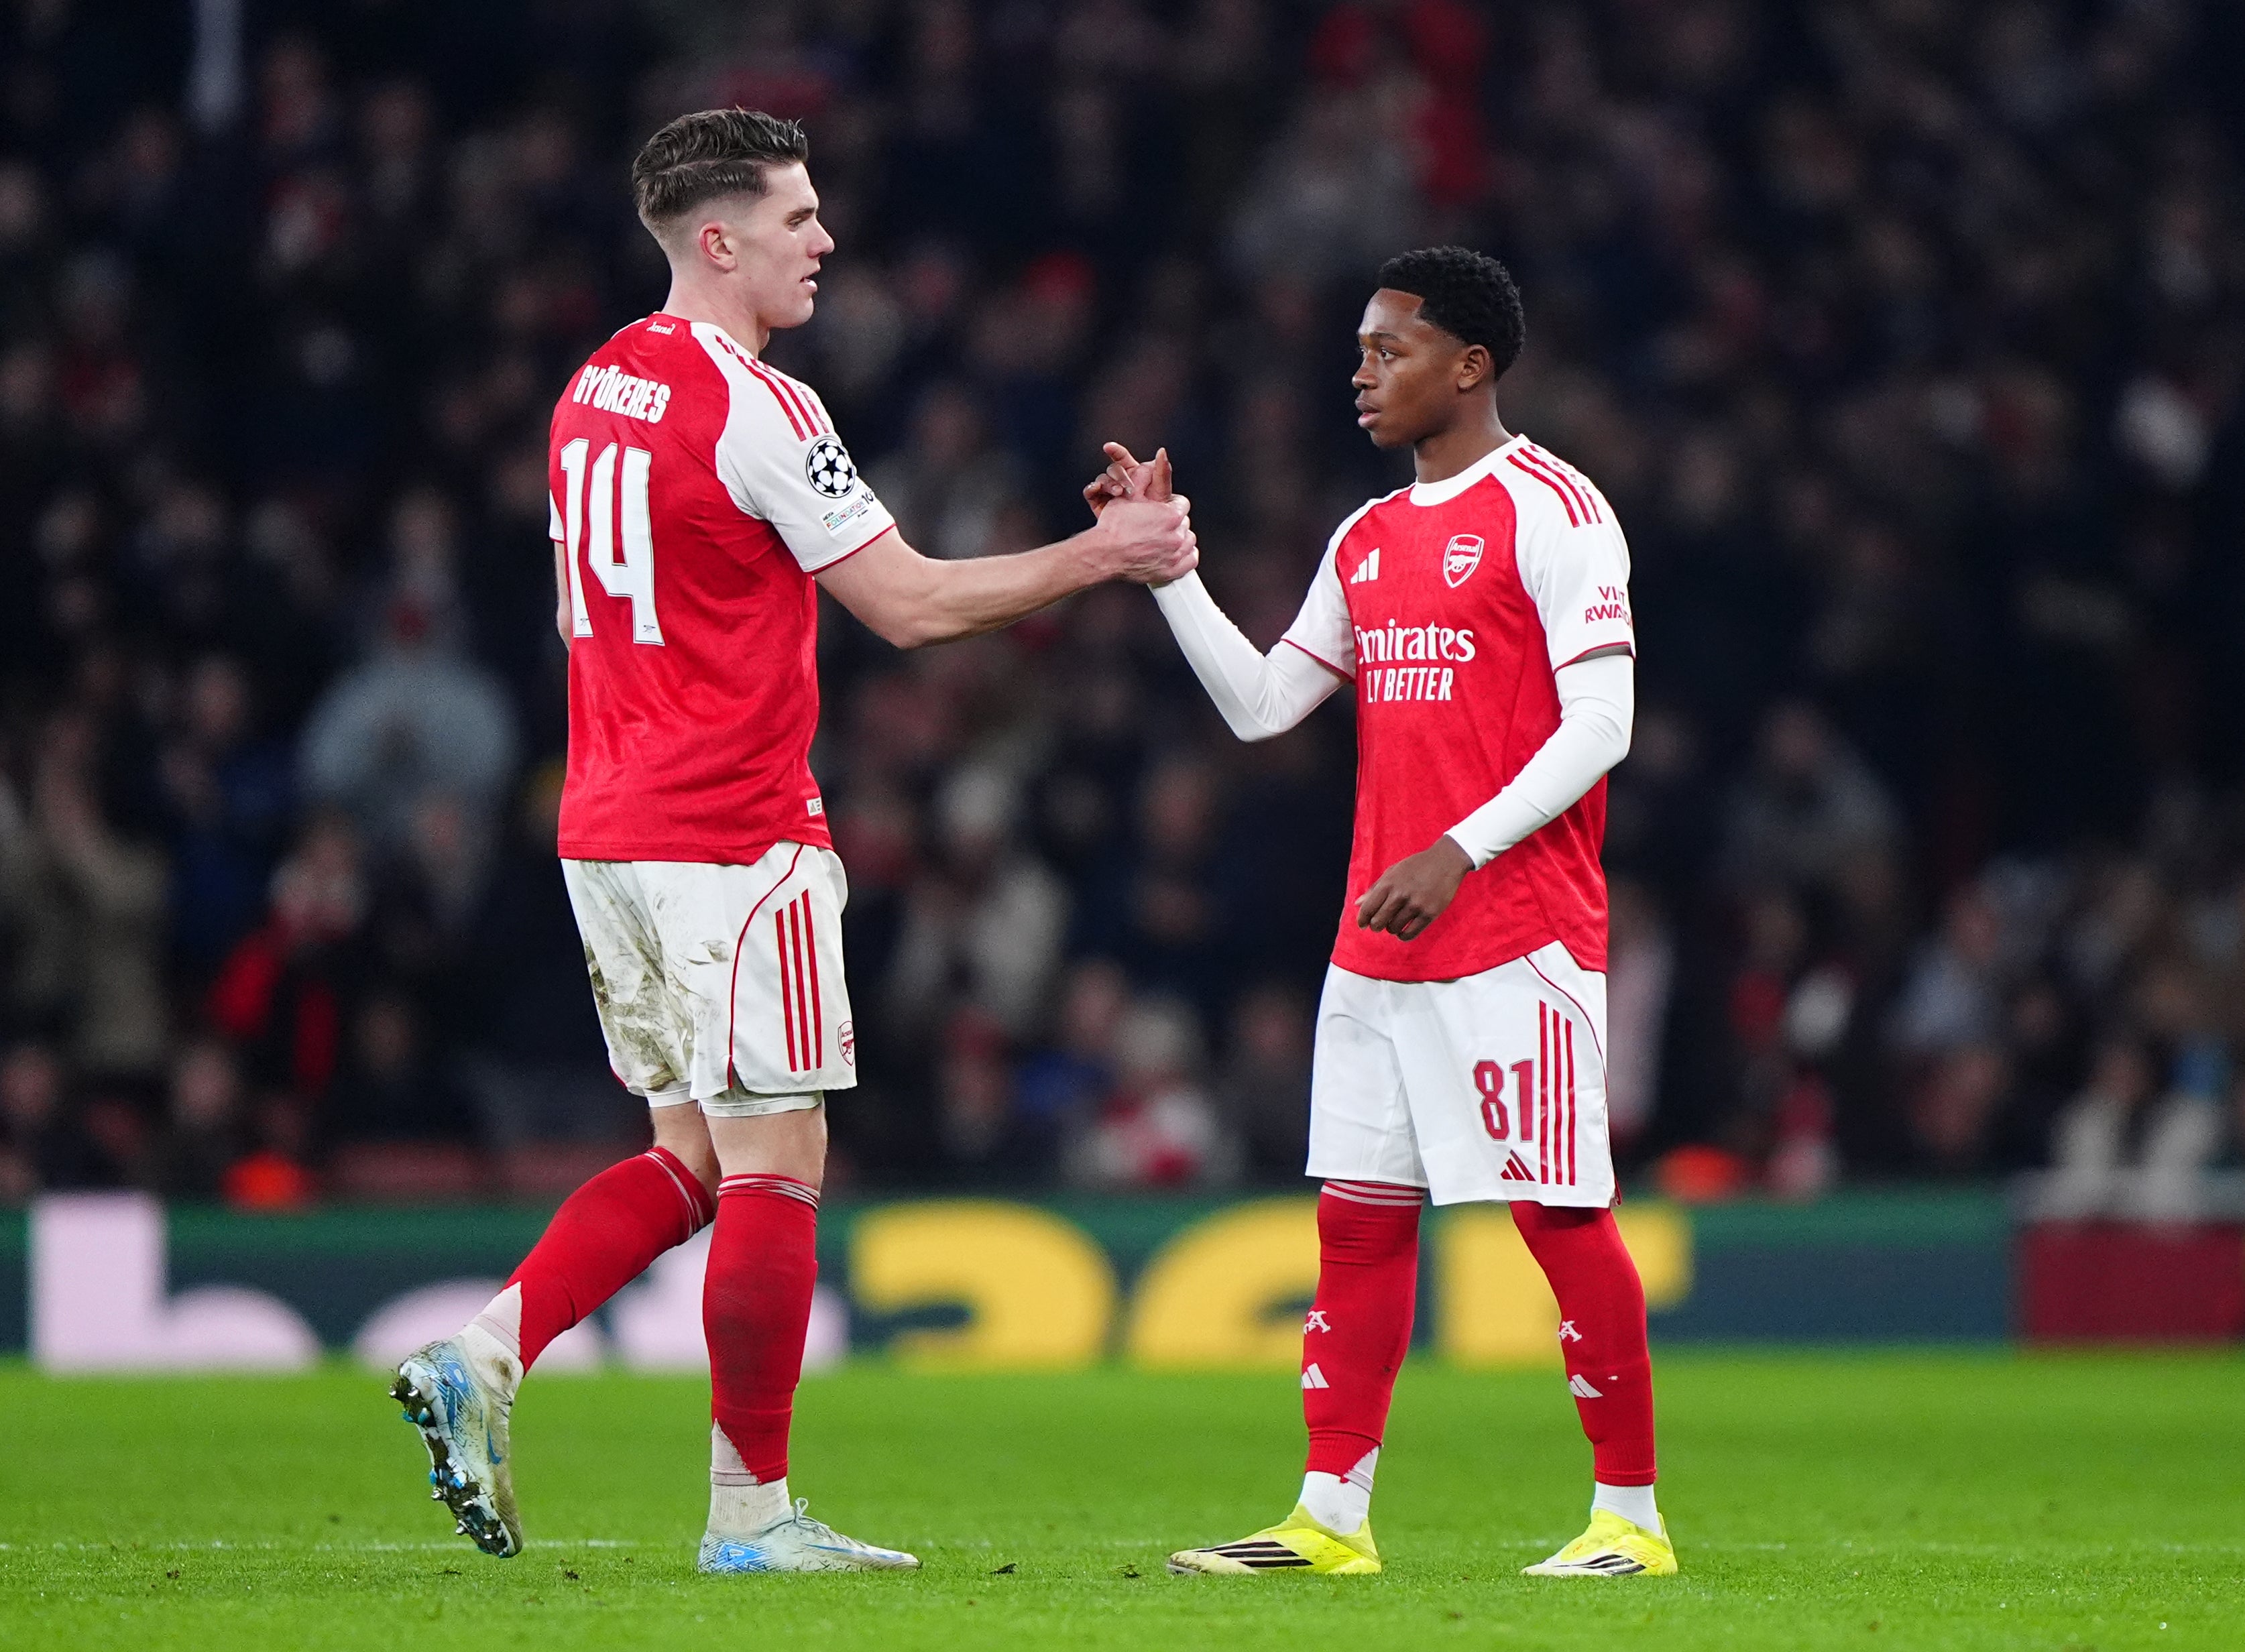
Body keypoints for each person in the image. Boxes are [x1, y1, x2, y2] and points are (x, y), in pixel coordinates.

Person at [390, 107, 1194, 1575]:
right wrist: (1107, 554)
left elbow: (609, 606)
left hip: (608, 830)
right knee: (779, 1160)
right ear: (719, 240)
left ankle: (486, 1351)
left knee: (691, 1155)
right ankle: (751, 1517)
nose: (824, 240)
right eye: (797, 217)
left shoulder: (591, 388)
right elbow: (911, 605)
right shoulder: (763, 406)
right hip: (730, 832)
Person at [1100, 246, 1672, 1579]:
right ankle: (1329, 1517)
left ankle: (1631, 1521)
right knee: (1357, 1220)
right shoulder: (1363, 537)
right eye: (1359, 349)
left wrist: (1461, 849)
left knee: (1559, 1215)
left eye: (1388, 350)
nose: (1360, 372)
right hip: (1379, 940)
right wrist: (1170, 570)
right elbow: (1263, 706)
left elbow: (1605, 720)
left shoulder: (1555, 509)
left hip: (1518, 927)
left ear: (1469, 366)